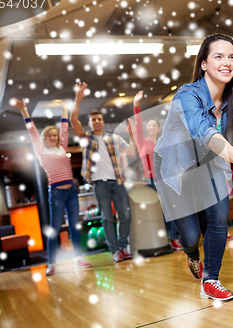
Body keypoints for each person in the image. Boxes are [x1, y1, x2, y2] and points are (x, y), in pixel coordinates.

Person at [153, 33, 233, 301]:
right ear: (203, 64)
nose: (227, 62)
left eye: (232, 57)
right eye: (219, 56)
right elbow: (201, 129)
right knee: (190, 237)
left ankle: (211, 279)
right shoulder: (187, 95)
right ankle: (191, 255)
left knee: (219, 218)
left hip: (208, 164)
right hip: (175, 167)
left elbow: (221, 141)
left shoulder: (231, 102)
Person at [11, 98, 91, 276]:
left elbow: (64, 128)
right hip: (56, 193)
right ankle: (52, 264)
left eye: (55, 135)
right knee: (54, 229)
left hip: (71, 191)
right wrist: (24, 110)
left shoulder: (62, 148)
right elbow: (32, 130)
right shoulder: (41, 151)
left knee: (74, 227)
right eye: (50, 135)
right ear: (45, 138)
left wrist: (64, 109)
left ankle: (78, 258)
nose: (54, 137)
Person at [70, 82, 133, 263]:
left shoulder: (114, 138)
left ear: (103, 122)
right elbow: (74, 120)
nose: (97, 122)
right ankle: (115, 251)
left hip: (117, 182)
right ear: (90, 123)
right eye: (93, 120)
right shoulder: (86, 139)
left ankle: (122, 247)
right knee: (107, 218)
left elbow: (131, 151)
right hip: (99, 184)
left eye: (99, 119)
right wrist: (78, 98)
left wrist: (132, 134)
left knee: (125, 216)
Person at [131, 91, 182, 251]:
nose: (151, 127)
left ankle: (175, 238)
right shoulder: (142, 142)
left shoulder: (162, 142)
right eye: (149, 125)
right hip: (153, 179)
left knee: (173, 208)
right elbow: (137, 125)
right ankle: (171, 238)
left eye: (154, 125)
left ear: (158, 128)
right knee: (165, 209)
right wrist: (136, 104)